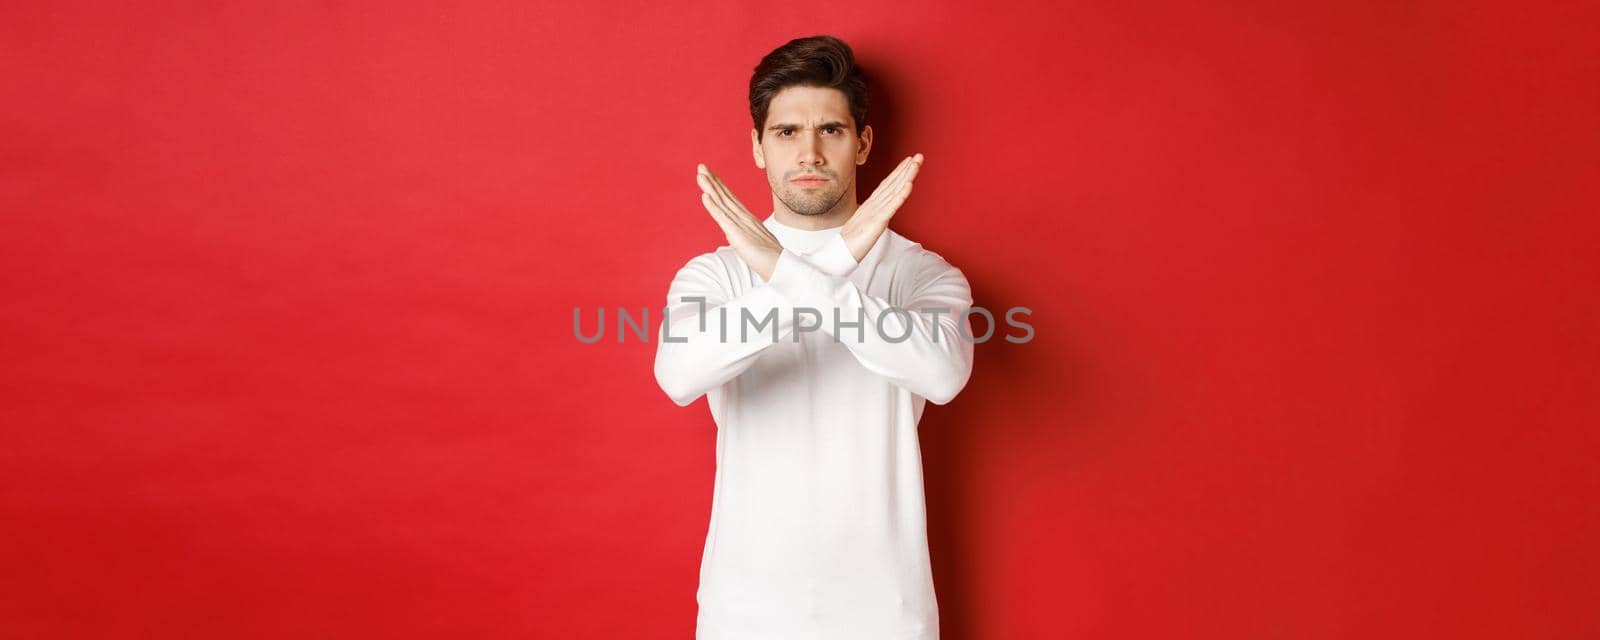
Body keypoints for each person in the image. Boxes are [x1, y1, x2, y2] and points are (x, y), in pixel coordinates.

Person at [654, 34, 974, 640]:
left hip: (888, 610)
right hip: (744, 608)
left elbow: (943, 374)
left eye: (830, 130)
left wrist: (811, 264)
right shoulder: (715, 273)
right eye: (786, 132)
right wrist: (837, 257)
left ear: (863, 143)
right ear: (757, 147)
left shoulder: (922, 274)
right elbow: (678, 375)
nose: (809, 153)